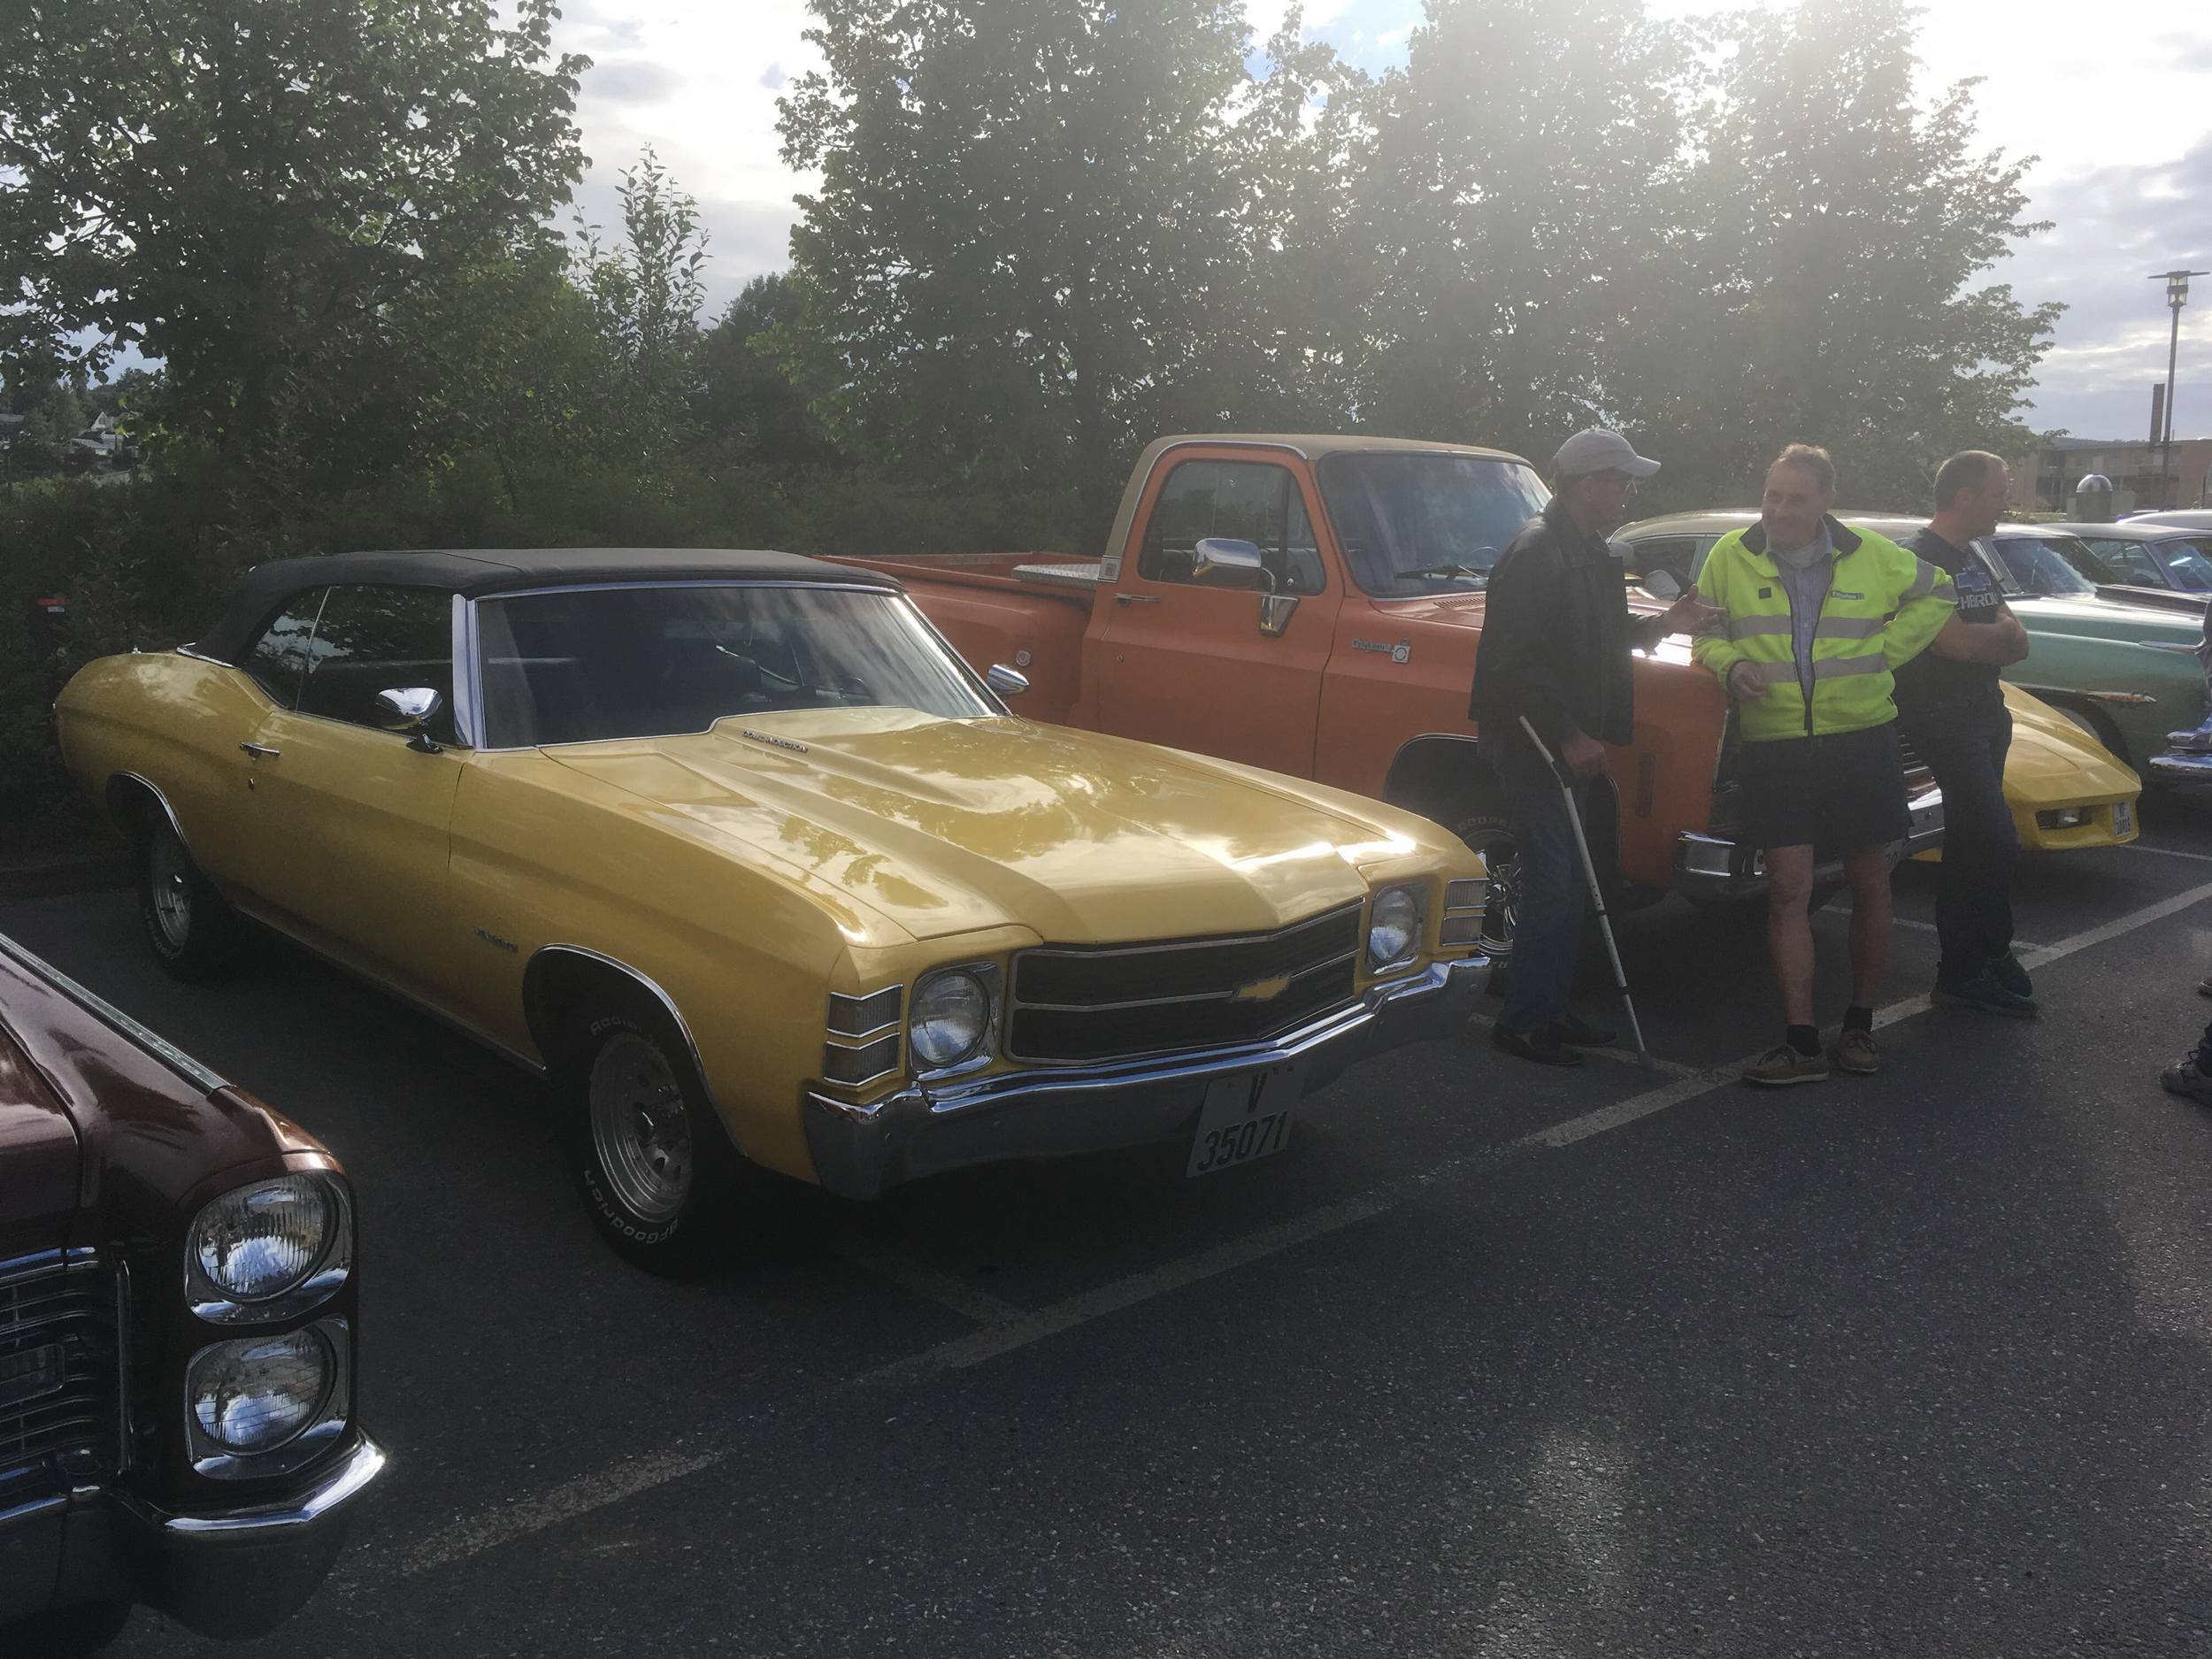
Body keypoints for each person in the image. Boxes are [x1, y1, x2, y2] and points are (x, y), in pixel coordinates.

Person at [1691, 444, 1956, 1086]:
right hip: (1776, 744)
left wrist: (1885, 652)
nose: (1779, 510)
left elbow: (1941, 590)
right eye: (1772, 495)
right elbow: (1705, 632)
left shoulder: (1871, 553)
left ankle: (1860, 1026)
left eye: (1795, 499)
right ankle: (1802, 1041)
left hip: (1860, 739)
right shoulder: (1730, 553)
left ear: (1826, 501)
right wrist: (1730, 663)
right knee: (1789, 890)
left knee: (1871, 881)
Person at [1471, 428, 1721, 1066]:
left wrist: (1665, 622)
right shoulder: (1536, 552)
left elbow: (1601, 634)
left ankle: (1549, 1010)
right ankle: (1523, 1022)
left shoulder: (1588, 549)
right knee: (1552, 884)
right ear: (1589, 485)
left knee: (1571, 882)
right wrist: (1570, 733)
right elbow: (1513, 665)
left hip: (1565, 738)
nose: (1627, 492)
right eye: (1621, 481)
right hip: (1535, 742)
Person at [1892, 451, 2035, 1016]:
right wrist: (1992, 638)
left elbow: (2018, 639)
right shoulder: (1916, 560)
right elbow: (1954, 644)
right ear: (1965, 497)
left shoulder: (1973, 556)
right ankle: (1962, 969)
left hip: (1986, 715)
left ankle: (1986, 955)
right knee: (1995, 838)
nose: (2005, 503)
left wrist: (1989, 639)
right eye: (1999, 492)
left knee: (1977, 842)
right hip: (1942, 720)